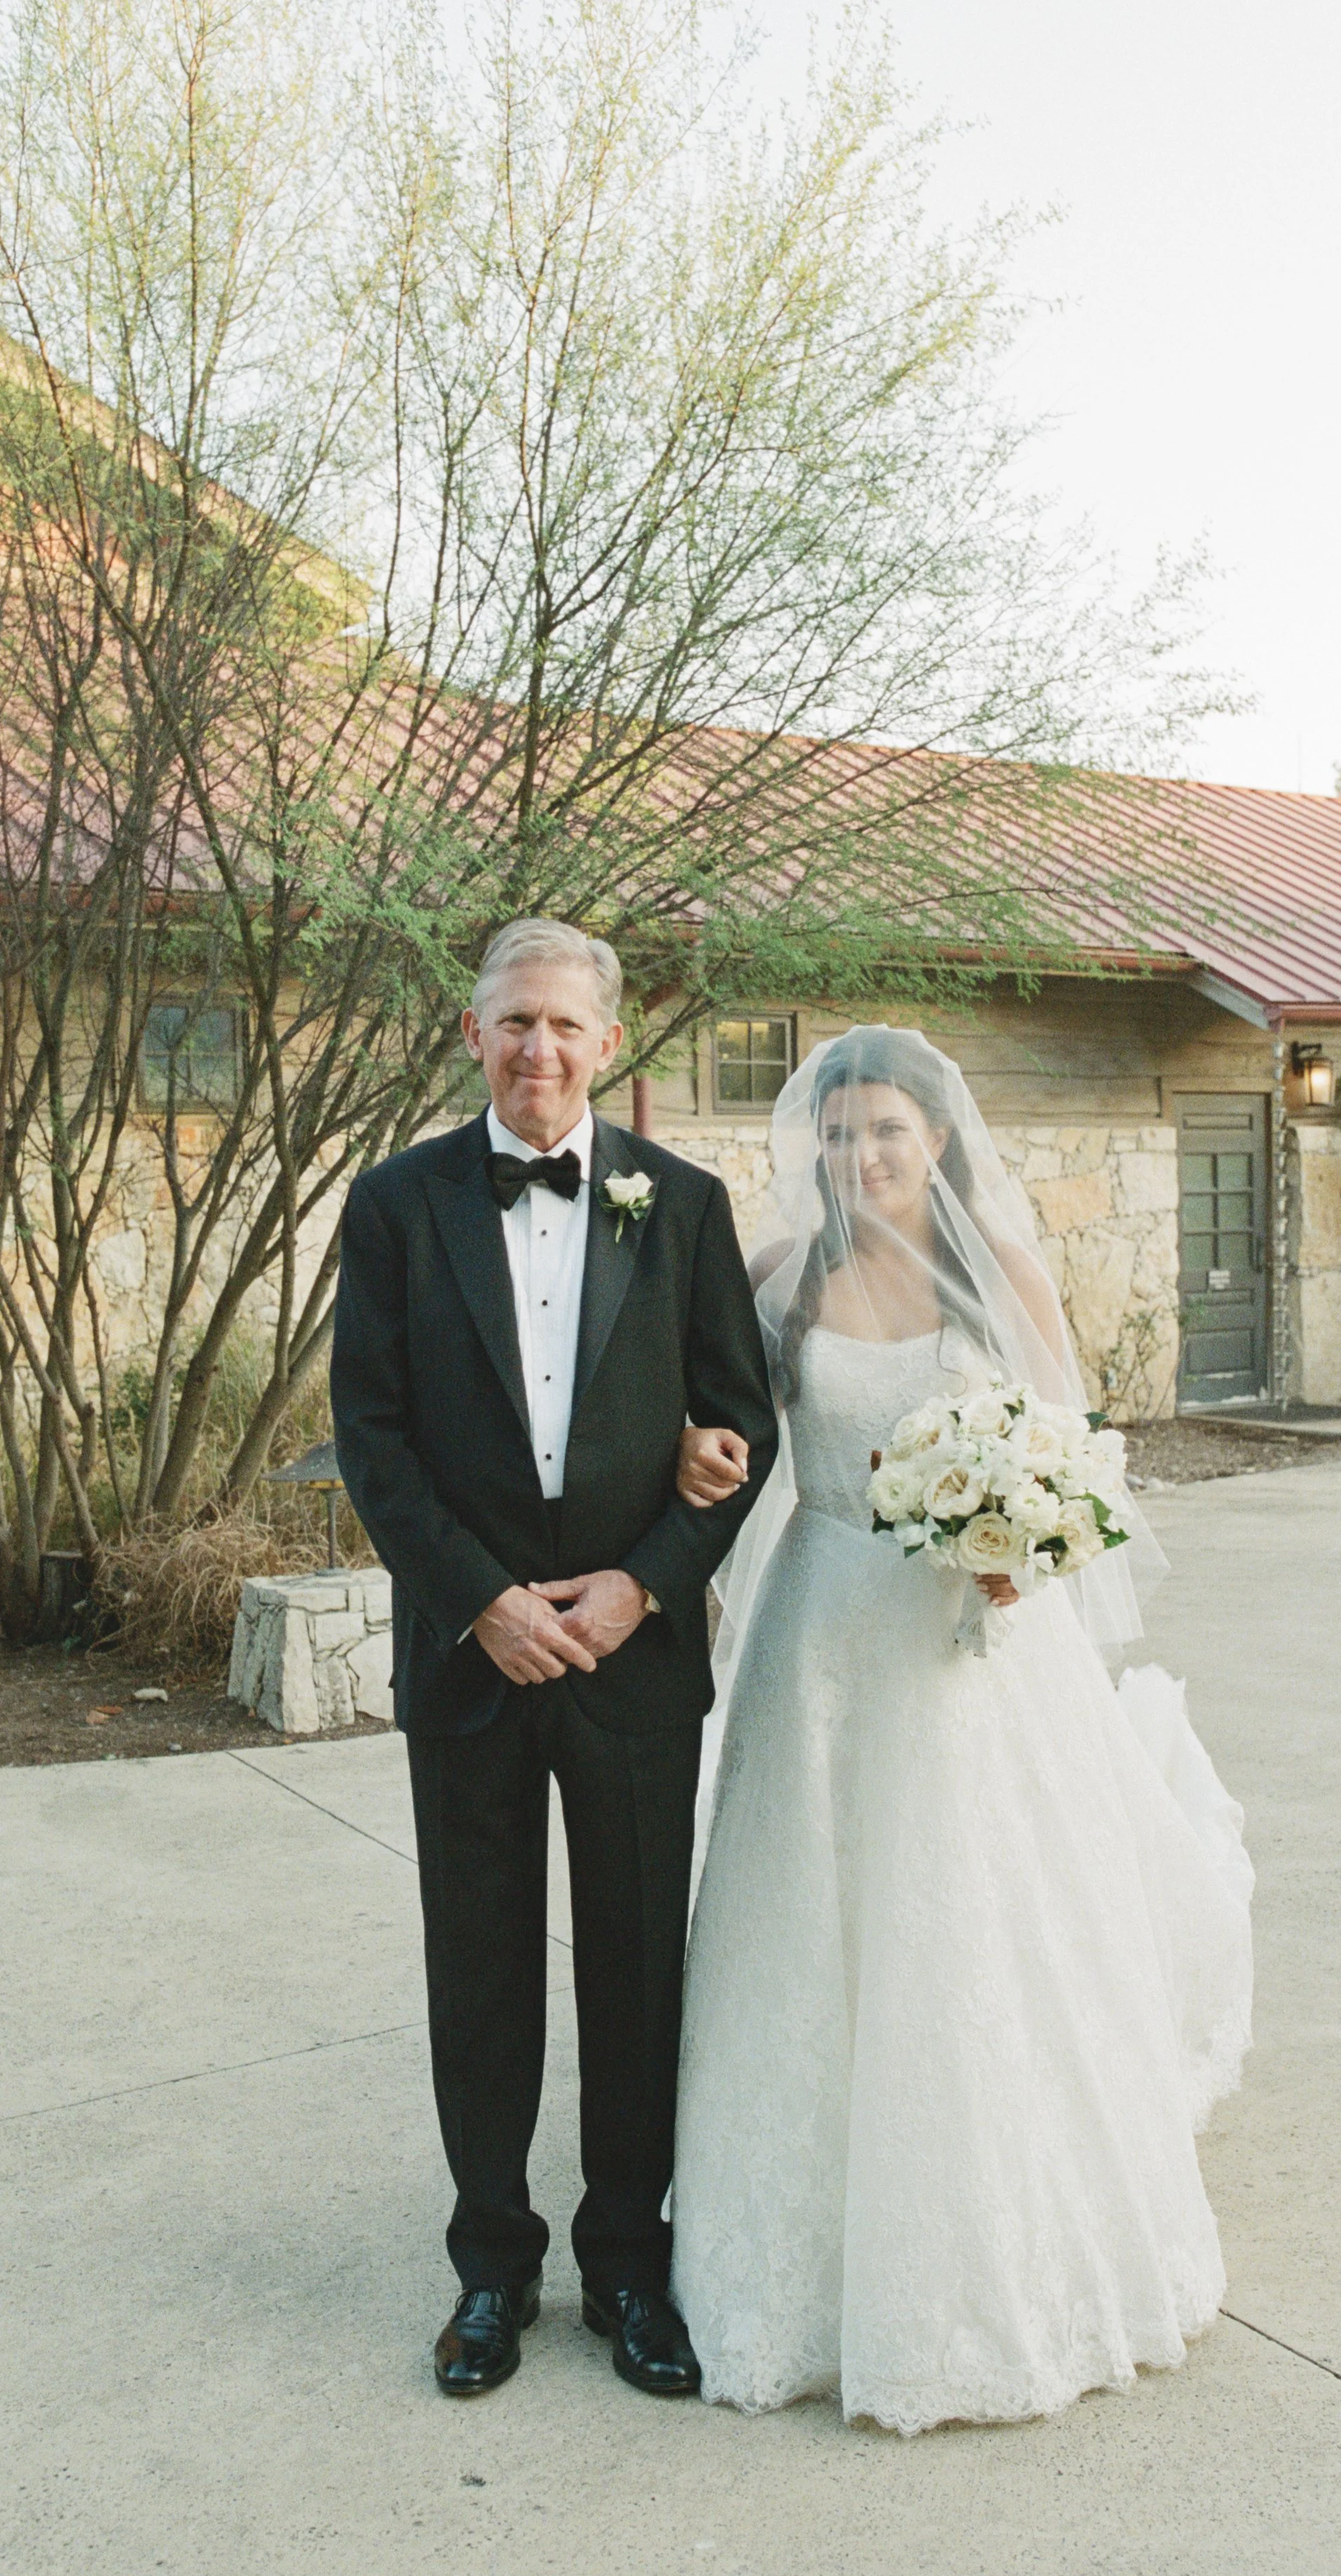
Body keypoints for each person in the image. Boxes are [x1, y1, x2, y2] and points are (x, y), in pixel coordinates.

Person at [668, 1026, 1253, 2433]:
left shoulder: (1000, 1274)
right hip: (819, 1627)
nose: (860, 1154)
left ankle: (994, 2240)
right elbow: (721, 1431)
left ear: (936, 1136)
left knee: (977, 1918)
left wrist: (1024, 1550)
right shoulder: (778, 1277)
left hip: (968, 1638)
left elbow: (1075, 1466)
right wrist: (690, 1451)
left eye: (885, 1129)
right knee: (808, 1916)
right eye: (837, 1133)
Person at [331, 920, 777, 2401]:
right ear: (473, 1034)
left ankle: (629, 2264)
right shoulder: (394, 1205)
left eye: (564, 1025)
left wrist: (641, 1589)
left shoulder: (684, 1205)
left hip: (630, 1663)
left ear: (608, 1042)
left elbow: (741, 1426)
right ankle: (491, 2265)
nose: (538, 1048)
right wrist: (479, 1602)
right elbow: (371, 1436)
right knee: (479, 1970)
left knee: (638, 1969)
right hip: (473, 1660)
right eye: (513, 1021)